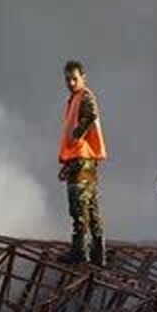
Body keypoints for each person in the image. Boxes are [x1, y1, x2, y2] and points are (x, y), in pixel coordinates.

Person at [57, 60, 107, 265]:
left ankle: (81, 253)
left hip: (81, 160)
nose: (70, 82)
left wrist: (78, 134)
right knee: (92, 208)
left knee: (78, 208)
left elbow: (90, 114)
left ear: (83, 77)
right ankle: (99, 255)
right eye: (67, 79)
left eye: (74, 78)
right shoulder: (75, 98)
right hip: (86, 161)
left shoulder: (84, 96)